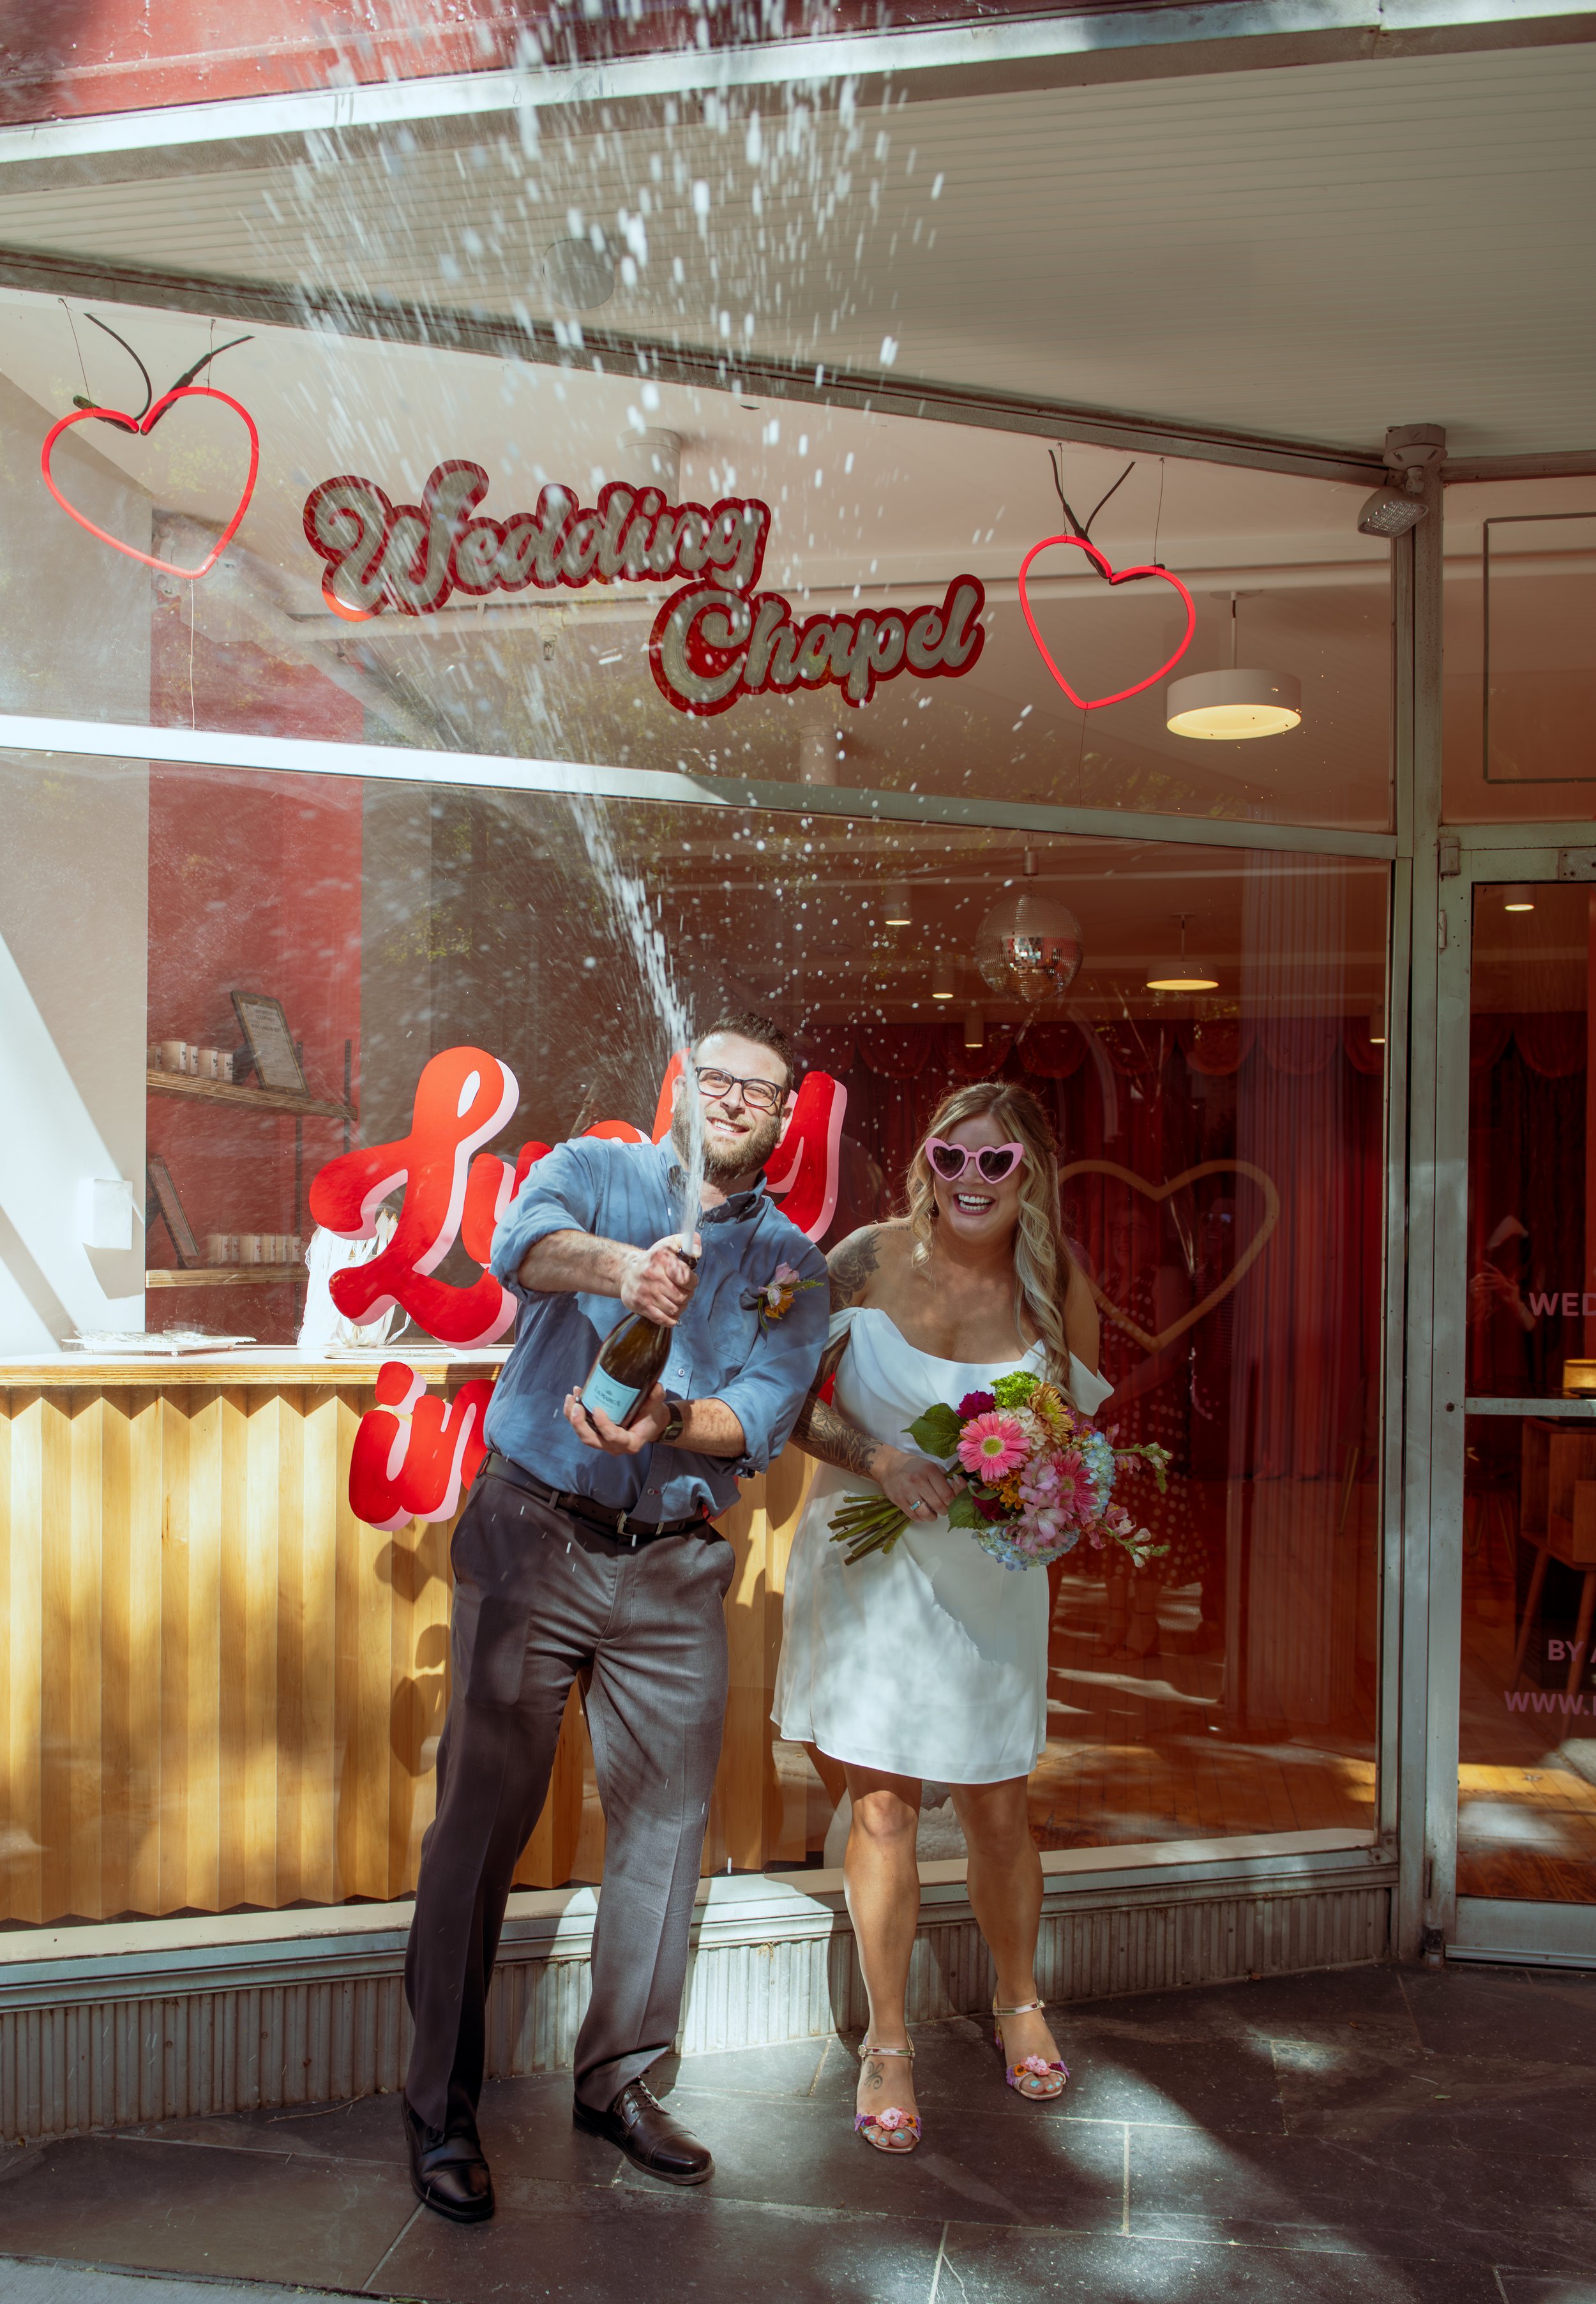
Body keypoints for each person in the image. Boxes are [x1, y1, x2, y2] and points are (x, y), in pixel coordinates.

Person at [402, 1013, 827, 2220]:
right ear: (679, 1083)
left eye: (762, 1087)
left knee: (662, 1838)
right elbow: (517, 1245)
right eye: (718, 1074)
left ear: (785, 1114)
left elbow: (762, 1410)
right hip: (529, 1535)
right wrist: (623, 1271)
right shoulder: (595, 1171)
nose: (736, 1097)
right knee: (477, 1828)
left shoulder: (796, 1260)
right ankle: (440, 2106)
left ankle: (622, 2082)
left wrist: (669, 1427)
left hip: (677, 1565)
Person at [774, 1080, 1109, 2155]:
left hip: (992, 1586)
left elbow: (1075, 1448)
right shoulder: (864, 1258)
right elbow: (785, 1397)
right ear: (927, 1161)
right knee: (881, 1810)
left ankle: (1019, 1999)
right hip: (868, 1577)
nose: (971, 1181)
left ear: (1031, 1174)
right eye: (951, 1158)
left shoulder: (1053, 1285)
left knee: (999, 1808)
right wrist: (880, 1457)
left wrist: (1039, 1492)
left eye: (996, 1163)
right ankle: (886, 2041)